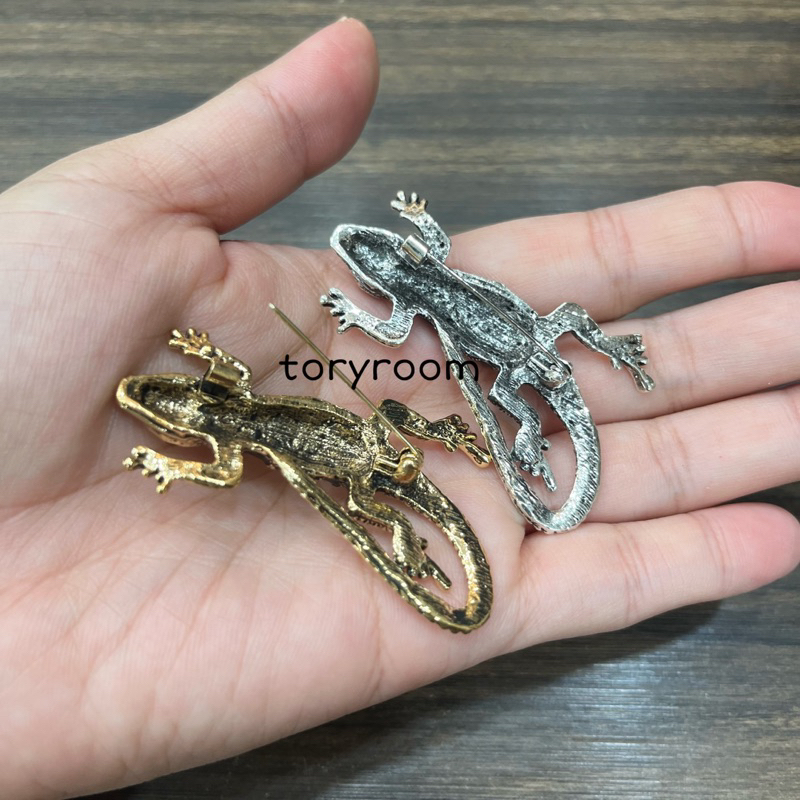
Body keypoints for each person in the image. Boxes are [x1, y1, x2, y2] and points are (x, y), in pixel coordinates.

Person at [1, 17, 798, 799]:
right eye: (369, 263)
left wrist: (372, 297)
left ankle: (549, 432)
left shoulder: (402, 296)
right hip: (464, 390)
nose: (364, 255)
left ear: (388, 268)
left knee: (518, 402)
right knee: (513, 399)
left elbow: (391, 319)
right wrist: (392, 266)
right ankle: (522, 461)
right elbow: (407, 298)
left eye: (371, 260)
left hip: (509, 367)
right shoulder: (400, 297)